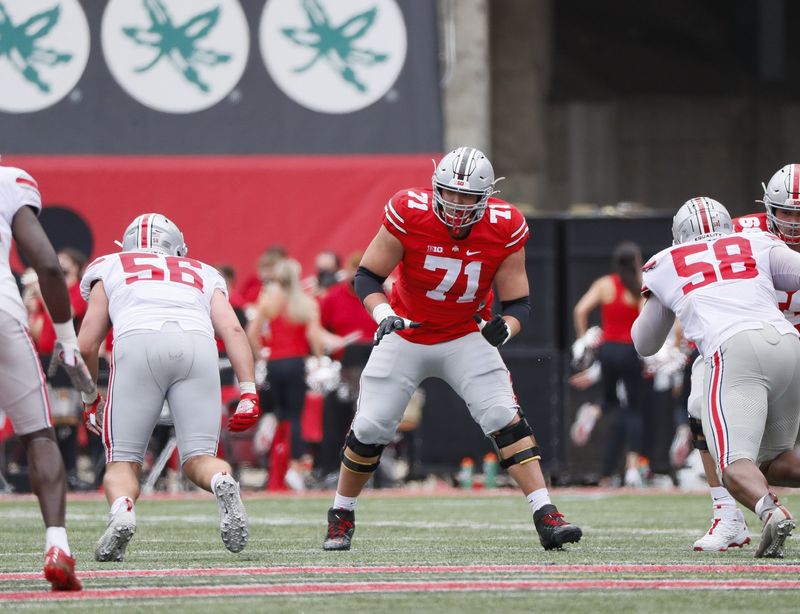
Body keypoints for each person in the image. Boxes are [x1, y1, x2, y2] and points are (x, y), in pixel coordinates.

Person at [322, 146, 582, 552]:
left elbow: (518, 304)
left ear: (487, 197)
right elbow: (368, 276)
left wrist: (506, 330)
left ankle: (546, 512)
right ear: (435, 188)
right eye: (451, 194)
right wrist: (384, 315)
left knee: (502, 414)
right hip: (407, 331)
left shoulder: (505, 224)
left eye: (467, 197)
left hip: (464, 335)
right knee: (371, 426)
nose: (458, 205)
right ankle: (341, 512)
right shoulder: (409, 211)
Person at [77, 213, 260, 561]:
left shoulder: (111, 264)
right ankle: (222, 480)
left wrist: (90, 399)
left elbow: (86, 344)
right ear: (177, 246)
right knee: (199, 459)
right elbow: (233, 331)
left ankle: (123, 510)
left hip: (137, 343)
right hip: (198, 345)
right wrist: (249, 390)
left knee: (123, 462)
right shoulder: (202, 271)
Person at [632, 196, 800, 558]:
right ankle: (728, 519)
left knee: (734, 468)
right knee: (776, 462)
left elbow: (644, 343)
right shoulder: (757, 241)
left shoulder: (665, 261)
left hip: (734, 350)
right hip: (789, 344)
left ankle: (770, 511)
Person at [687, 165, 800, 552]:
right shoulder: (738, 232)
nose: (793, 222)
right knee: (700, 404)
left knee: (776, 461)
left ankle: (761, 509)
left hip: (791, 353)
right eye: (786, 212)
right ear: (768, 206)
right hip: (736, 341)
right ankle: (727, 516)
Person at [0, 162, 96, 591]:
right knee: (39, 435)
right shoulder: (9, 181)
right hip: (3, 316)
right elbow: (48, 264)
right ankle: (56, 544)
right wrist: (66, 338)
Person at [246, 257, 339, 490]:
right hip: (296, 362)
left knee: (280, 413)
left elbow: (251, 333)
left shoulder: (268, 301)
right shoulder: (305, 303)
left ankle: (276, 460)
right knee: (296, 416)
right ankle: (296, 466)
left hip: (274, 364)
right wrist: (318, 359)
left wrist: (261, 353)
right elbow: (313, 336)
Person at [573, 242, 648, 486]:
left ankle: (593, 411)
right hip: (631, 351)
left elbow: (580, 310)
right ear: (636, 261)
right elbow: (645, 321)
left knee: (610, 402)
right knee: (635, 408)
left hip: (607, 350)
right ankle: (632, 468)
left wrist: (584, 340)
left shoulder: (605, 284)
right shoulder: (639, 286)